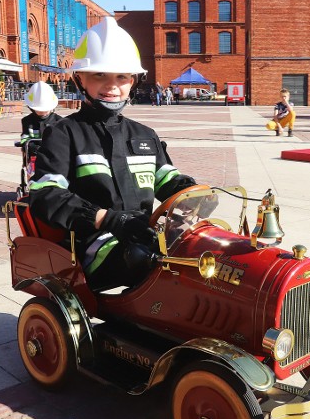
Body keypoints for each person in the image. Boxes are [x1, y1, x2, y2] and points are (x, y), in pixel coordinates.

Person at [28, 17, 199, 292]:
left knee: (203, 254)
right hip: (92, 245)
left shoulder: (145, 135)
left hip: (144, 234)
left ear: (133, 80)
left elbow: (168, 181)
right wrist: (106, 218)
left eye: (121, 76)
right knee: (152, 260)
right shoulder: (63, 133)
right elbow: (45, 195)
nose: (111, 86)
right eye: (99, 75)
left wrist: (194, 192)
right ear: (79, 78)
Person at [17, 81, 63, 156]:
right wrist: (31, 146)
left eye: (45, 110)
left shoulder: (58, 121)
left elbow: (63, 140)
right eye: (39, 110)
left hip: (54, 156)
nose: (42, 112)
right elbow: (25, 138)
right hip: (34, 156)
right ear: (31, 107)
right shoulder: (27, 121)